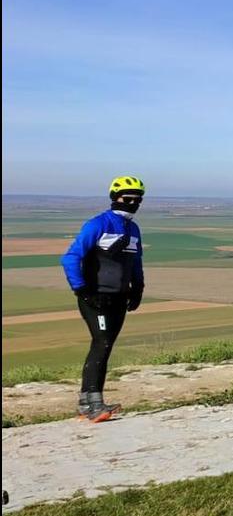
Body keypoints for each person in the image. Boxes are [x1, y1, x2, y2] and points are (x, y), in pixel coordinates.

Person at [61, 176, 147, 422]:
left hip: (119, 298)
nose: (133, 203)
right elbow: (70, 257)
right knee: (102, 343)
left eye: (138, 199)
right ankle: (94, 405)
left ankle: (86, 403)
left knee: (104, 345)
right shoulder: (98, 224)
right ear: (115, 198)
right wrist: (82, 290)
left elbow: (136, 262)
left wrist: (138, 287)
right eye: (128, 199)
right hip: (95, 297)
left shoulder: (133, 229)